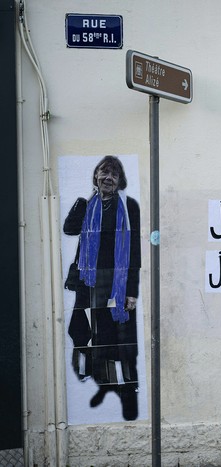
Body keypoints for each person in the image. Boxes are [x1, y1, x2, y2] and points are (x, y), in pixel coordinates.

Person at [63, 155, 141, 421]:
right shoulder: (87, 205)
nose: (108, 178)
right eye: (103, 173)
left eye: (113, 175)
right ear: (95, 176)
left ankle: (127, 391)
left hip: (115, 284)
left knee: (117, 337)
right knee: (82, 330)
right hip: (89, 281)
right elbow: (69, 230)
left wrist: (131, 290)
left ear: (119, 181)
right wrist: (79, 205)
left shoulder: (128, 207)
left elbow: (135, 251)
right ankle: (104, 384)